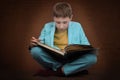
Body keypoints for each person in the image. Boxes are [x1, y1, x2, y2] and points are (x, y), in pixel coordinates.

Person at [29, 2, 97, 76]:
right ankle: (70, 70)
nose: (61, 26)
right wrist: (34, 44)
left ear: (71, 18)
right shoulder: (47, 26)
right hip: (54, 59)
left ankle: (57, 71)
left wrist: (81, 51)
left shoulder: (77, 26)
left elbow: (86, 45)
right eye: (58, 22)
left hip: (72, 59)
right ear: (53, 18)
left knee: (92, 58)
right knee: (35, 51)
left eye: (65, 22)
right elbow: (41, 43)